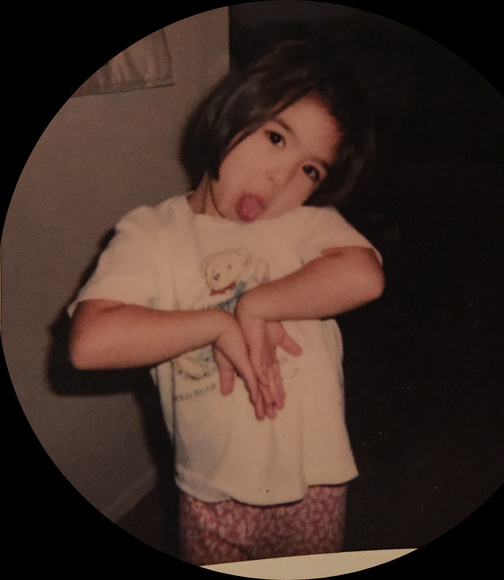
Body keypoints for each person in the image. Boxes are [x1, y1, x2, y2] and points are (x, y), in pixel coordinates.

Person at [68, 40, 385, 565]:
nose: (281, 178)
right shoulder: (153, 233)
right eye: (276, 138)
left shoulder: (304, 224)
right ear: (231, 114)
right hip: (209, 487)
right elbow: (90, 343)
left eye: (311, 170)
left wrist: (254, 304)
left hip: (313, 479)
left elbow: (364, 277)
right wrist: (218, 323)